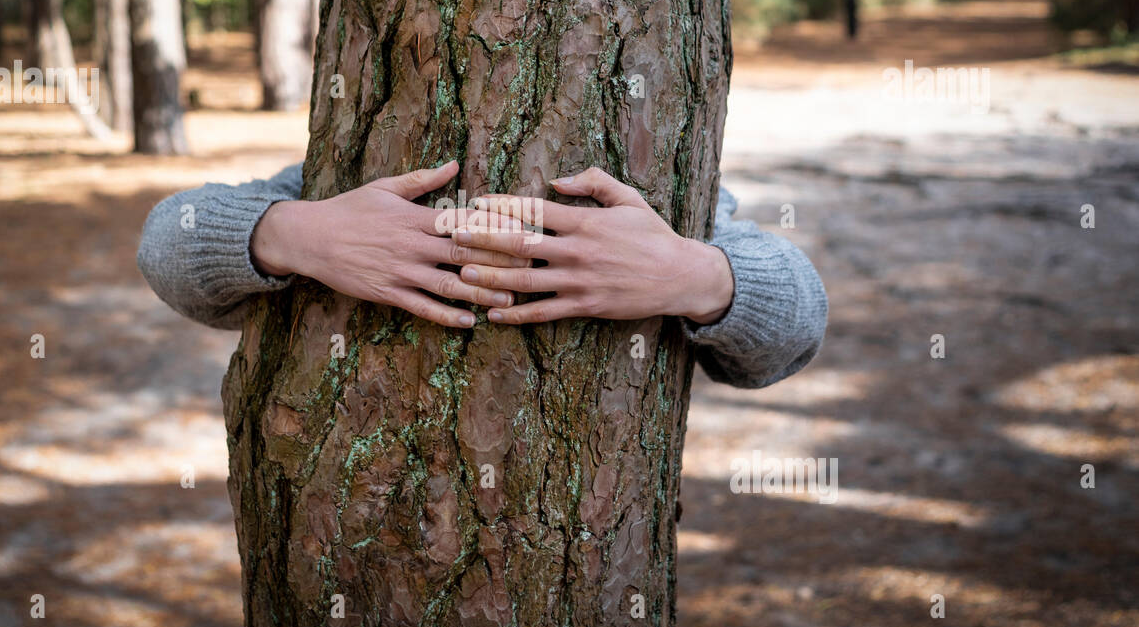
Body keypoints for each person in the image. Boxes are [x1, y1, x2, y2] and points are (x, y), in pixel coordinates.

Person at [137, 160, 827, 388]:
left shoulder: (670, 196)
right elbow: (165, 241)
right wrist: (292, 232)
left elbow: (798, 331)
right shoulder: (344, 173)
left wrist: (694, 274)